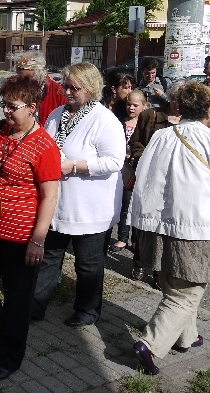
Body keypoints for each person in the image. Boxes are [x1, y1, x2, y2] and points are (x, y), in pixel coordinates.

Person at [0, 76, 60, 382]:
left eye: (13, 106)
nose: (6, 111)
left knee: (17, 300)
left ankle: (8, 357)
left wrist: (38, 240)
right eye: (4, 104)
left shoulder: (44, 145)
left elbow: (50, 196)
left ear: (32, 107)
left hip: (21, 236)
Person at [31, 62, 125, 327]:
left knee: (88, 264)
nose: (67, 92)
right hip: (58, 203)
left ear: (91, 88)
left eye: (75, 88)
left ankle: (87, 310)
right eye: (66, 86)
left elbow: (114, 161)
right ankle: (35, 305)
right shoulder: (57, 114)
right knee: (49, 257)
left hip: (90, 207)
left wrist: (74, 165)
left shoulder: (104, 120)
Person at [131, 81, 210, 376]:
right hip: (193, 226)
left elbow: (144, 173)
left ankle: (187, 337)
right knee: (188, 290)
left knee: (171, 282)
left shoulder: (162, 135)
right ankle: (149, 345)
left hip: (156, 222)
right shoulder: (207, 138)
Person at [127, 80, 186, 282]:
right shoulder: (150, 115)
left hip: (176, 182)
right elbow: (136, 142)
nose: (178, 103)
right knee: (144, 225)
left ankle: (159, 271)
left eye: (182, 99)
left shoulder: (190, 122)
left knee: (167, 227)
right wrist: (146, 159)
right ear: (169, 97)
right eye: (175, 98)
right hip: (150, 178)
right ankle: (139, 263)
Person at [110, 89, 146, 254]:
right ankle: (122, 238)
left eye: (135, 105)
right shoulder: (119, 122)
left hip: (139, 169)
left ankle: (136, 240)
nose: (131, 108)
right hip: (124, 170)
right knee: (124, 204)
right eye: (129, 104)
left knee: (138, 206)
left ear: (144, 106)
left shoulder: (146, 126)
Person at [9, 50, 66, 125]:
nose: (22, 81)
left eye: (27, 78)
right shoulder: (16, 88)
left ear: (40, 74)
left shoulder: (58, 92)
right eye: (19, 76)